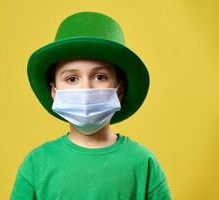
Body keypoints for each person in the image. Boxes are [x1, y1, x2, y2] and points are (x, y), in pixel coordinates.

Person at [10, 11, 172, 200]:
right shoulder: (36, 165)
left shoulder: (144, 164)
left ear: (119, 90)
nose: (86, 88)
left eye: (100, 77)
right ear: (55, 92)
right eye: (71, 79)